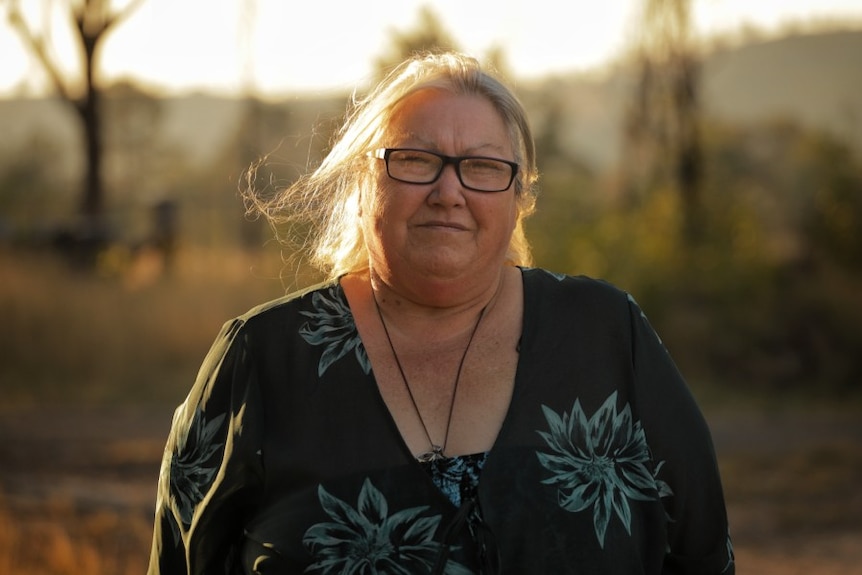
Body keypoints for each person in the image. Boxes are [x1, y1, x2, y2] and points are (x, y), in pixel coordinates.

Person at [147, 51, 734, 574]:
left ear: (519, 196)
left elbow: (705, 554)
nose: (449, 192)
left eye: (481, 167)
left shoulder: (607, 336)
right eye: (415, 160)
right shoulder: (263, 358)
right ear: (363, 182)